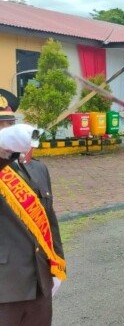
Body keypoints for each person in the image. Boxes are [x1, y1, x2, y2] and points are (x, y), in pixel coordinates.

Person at [0, 89, 65, 326]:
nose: (5, 130)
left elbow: (49, 219)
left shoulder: (37, 169)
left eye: (9, 124)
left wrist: (58, 264)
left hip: (39, 282)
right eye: (0, 126)